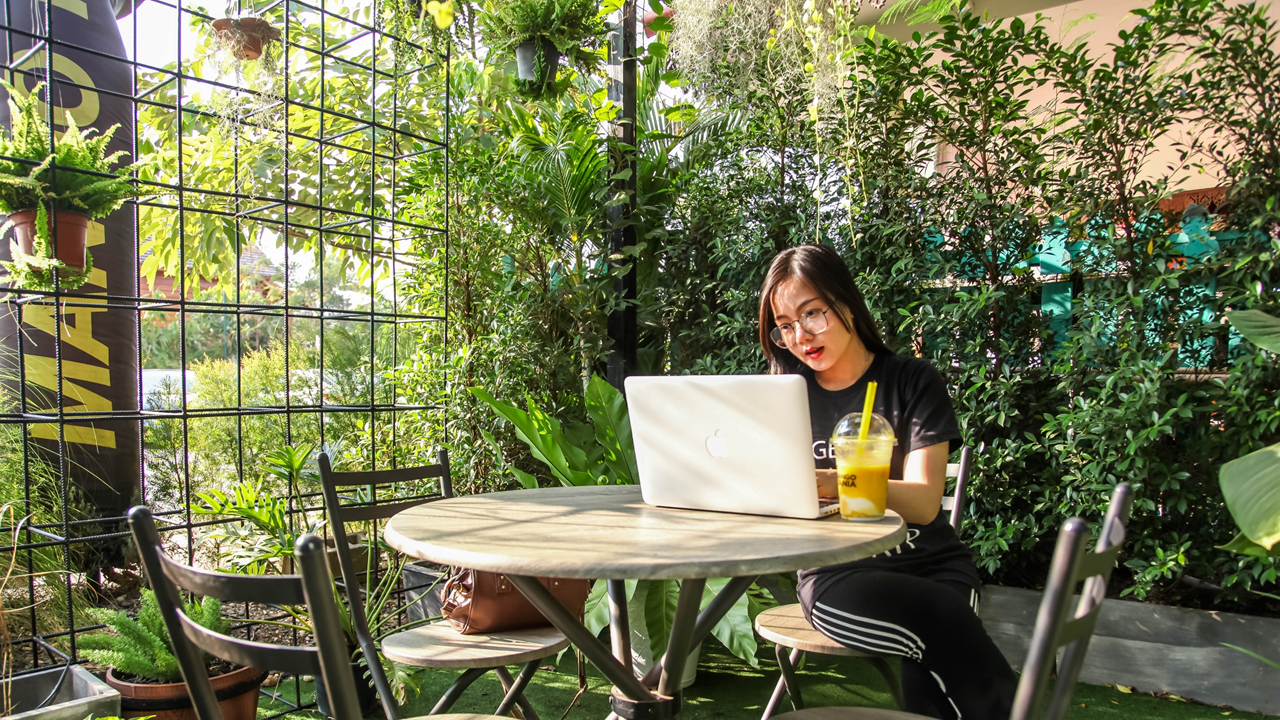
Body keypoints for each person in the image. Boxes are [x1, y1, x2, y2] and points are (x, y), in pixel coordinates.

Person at [758, 244, 1016, 720]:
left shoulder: (912, 380)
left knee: (935, 643)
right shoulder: (784, 399)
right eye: (786, 325)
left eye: (813, 314)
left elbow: (922, 504)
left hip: (934, 563)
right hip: (837, 572)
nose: (800, 336)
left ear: (847, 303)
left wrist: (838, 481)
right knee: (939, 622)